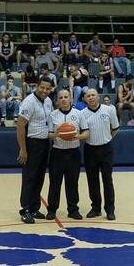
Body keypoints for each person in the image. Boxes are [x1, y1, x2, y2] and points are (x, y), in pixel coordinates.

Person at [46, 89, 89, 220]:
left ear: (70, 99)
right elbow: (49, 135)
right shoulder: (52, 115)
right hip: (57, 153)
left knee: (72, 183)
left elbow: (86, 132)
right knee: (54, 183)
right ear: (57, 100)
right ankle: (52, 209)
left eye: (66, 97)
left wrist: (77, 137)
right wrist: (58, 134)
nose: (63, 99)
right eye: (61, 97)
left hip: (73, 153)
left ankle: (73, 210)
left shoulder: (79, 114)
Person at [16, 77, 53, 224]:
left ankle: (34, 207)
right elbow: (20, 126)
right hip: (32, 144)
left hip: (44, 144)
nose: (45, 91)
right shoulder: (29, 102)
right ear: (37, 86)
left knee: (39, 177)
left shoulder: (49, 101)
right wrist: (23, 149)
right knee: (29, 178)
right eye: (42, 88)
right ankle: (25, 210)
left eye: (47, 88)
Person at [83, 88, 119, 220]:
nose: (91, 97)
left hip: (106, 149)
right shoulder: (83, 113)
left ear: (98, 96)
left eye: (93, 95)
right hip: (90, 150)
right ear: (85, 99)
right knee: (92, 181)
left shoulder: (109, 110)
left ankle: (110, 210)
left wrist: (106, 138)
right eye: (88, 96)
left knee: (107, 180)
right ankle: (96, 208)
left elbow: (115, 129)